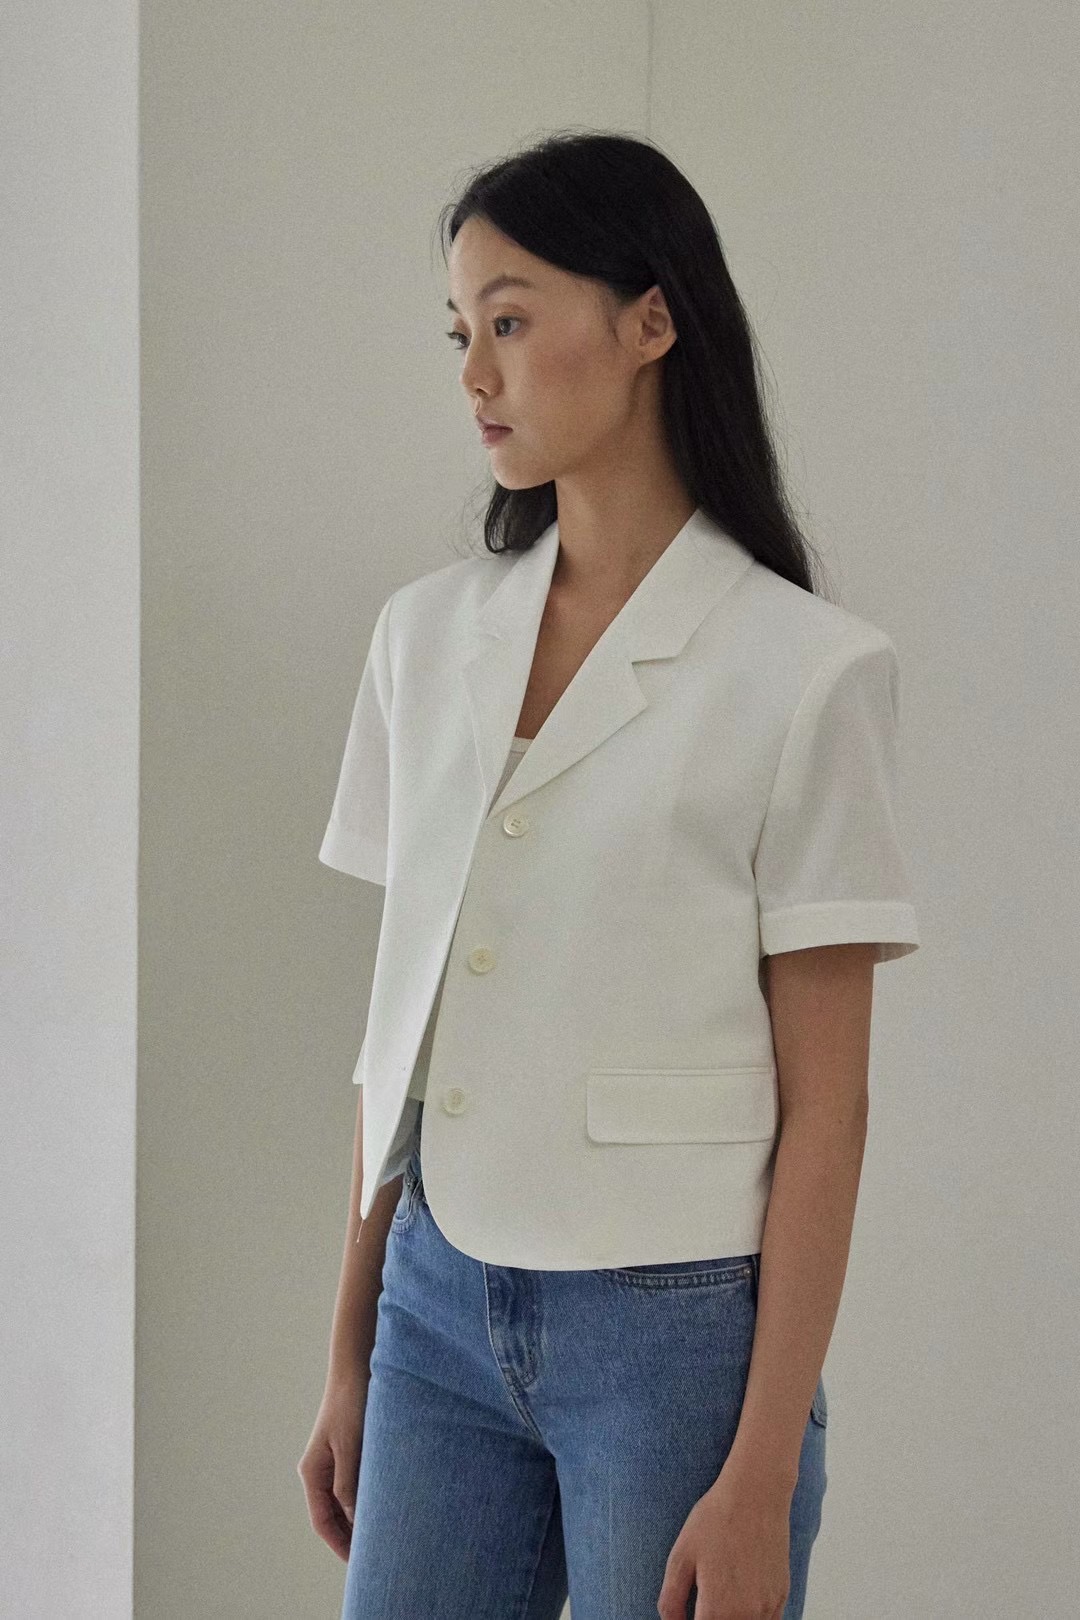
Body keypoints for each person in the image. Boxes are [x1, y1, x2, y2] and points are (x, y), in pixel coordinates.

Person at [297, 129, 920, 1620]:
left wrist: (760, 1472)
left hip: (676, 1338)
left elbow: (829, 1107)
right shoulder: (422, 640)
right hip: (434, 1308)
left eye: (510, 320)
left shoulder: (809, 673)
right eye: (462, 331)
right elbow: (404, 1032)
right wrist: (350, 1347)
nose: (475, 373)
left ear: (652, 321)